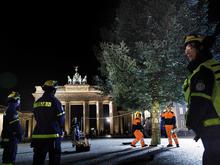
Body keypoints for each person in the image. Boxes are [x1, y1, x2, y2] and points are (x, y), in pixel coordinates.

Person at [183, 34, 220, 164]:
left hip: (213, 127)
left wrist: (191, 122)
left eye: (191, 46)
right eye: (186, 48)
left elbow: (200, 101)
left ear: (201, 48)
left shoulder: (202, 71)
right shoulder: (214, 66)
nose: (187, 52)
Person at [31, 80, 65, 165]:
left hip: (38, 135)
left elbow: (36, 117)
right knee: (54, 160)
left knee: (38, 160)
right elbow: (61, 118)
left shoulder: (37, 102)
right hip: (52, 135)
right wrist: (60, 129)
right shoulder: (55, 101)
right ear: (54, 90)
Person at [1, 91, 23, 165]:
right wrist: (20, 135)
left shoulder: (7, 110)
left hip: (6, 138)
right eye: (19, 99)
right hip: (11, 139)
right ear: (16, 100)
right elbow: (16, 125)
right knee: (10, 158)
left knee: (6, 158)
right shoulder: (13, 111)